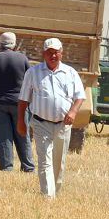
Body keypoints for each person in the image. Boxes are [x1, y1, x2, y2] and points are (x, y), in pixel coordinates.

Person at [17, 37, 86, 197]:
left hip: (63, 125)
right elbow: (23, 100)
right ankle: (48, 197)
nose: (53, 56)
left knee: (59, 162)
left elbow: (80, 96)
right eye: (49, 53)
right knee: (44, 161)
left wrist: (73, 111)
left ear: (61, 53)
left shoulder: (70, 73)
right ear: (44, 54)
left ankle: (55, 192)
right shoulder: (33, 73)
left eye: (56, 52)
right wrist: (21, 121)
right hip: (41, 123)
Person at [0, 32, 33, 172]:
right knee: (23, 135)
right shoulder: (22, 59)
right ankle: (28, 167)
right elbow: (31, 82)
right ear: (15, 44)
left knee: (3, 136)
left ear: (0, 44)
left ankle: (7, 167)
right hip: (20, 104)